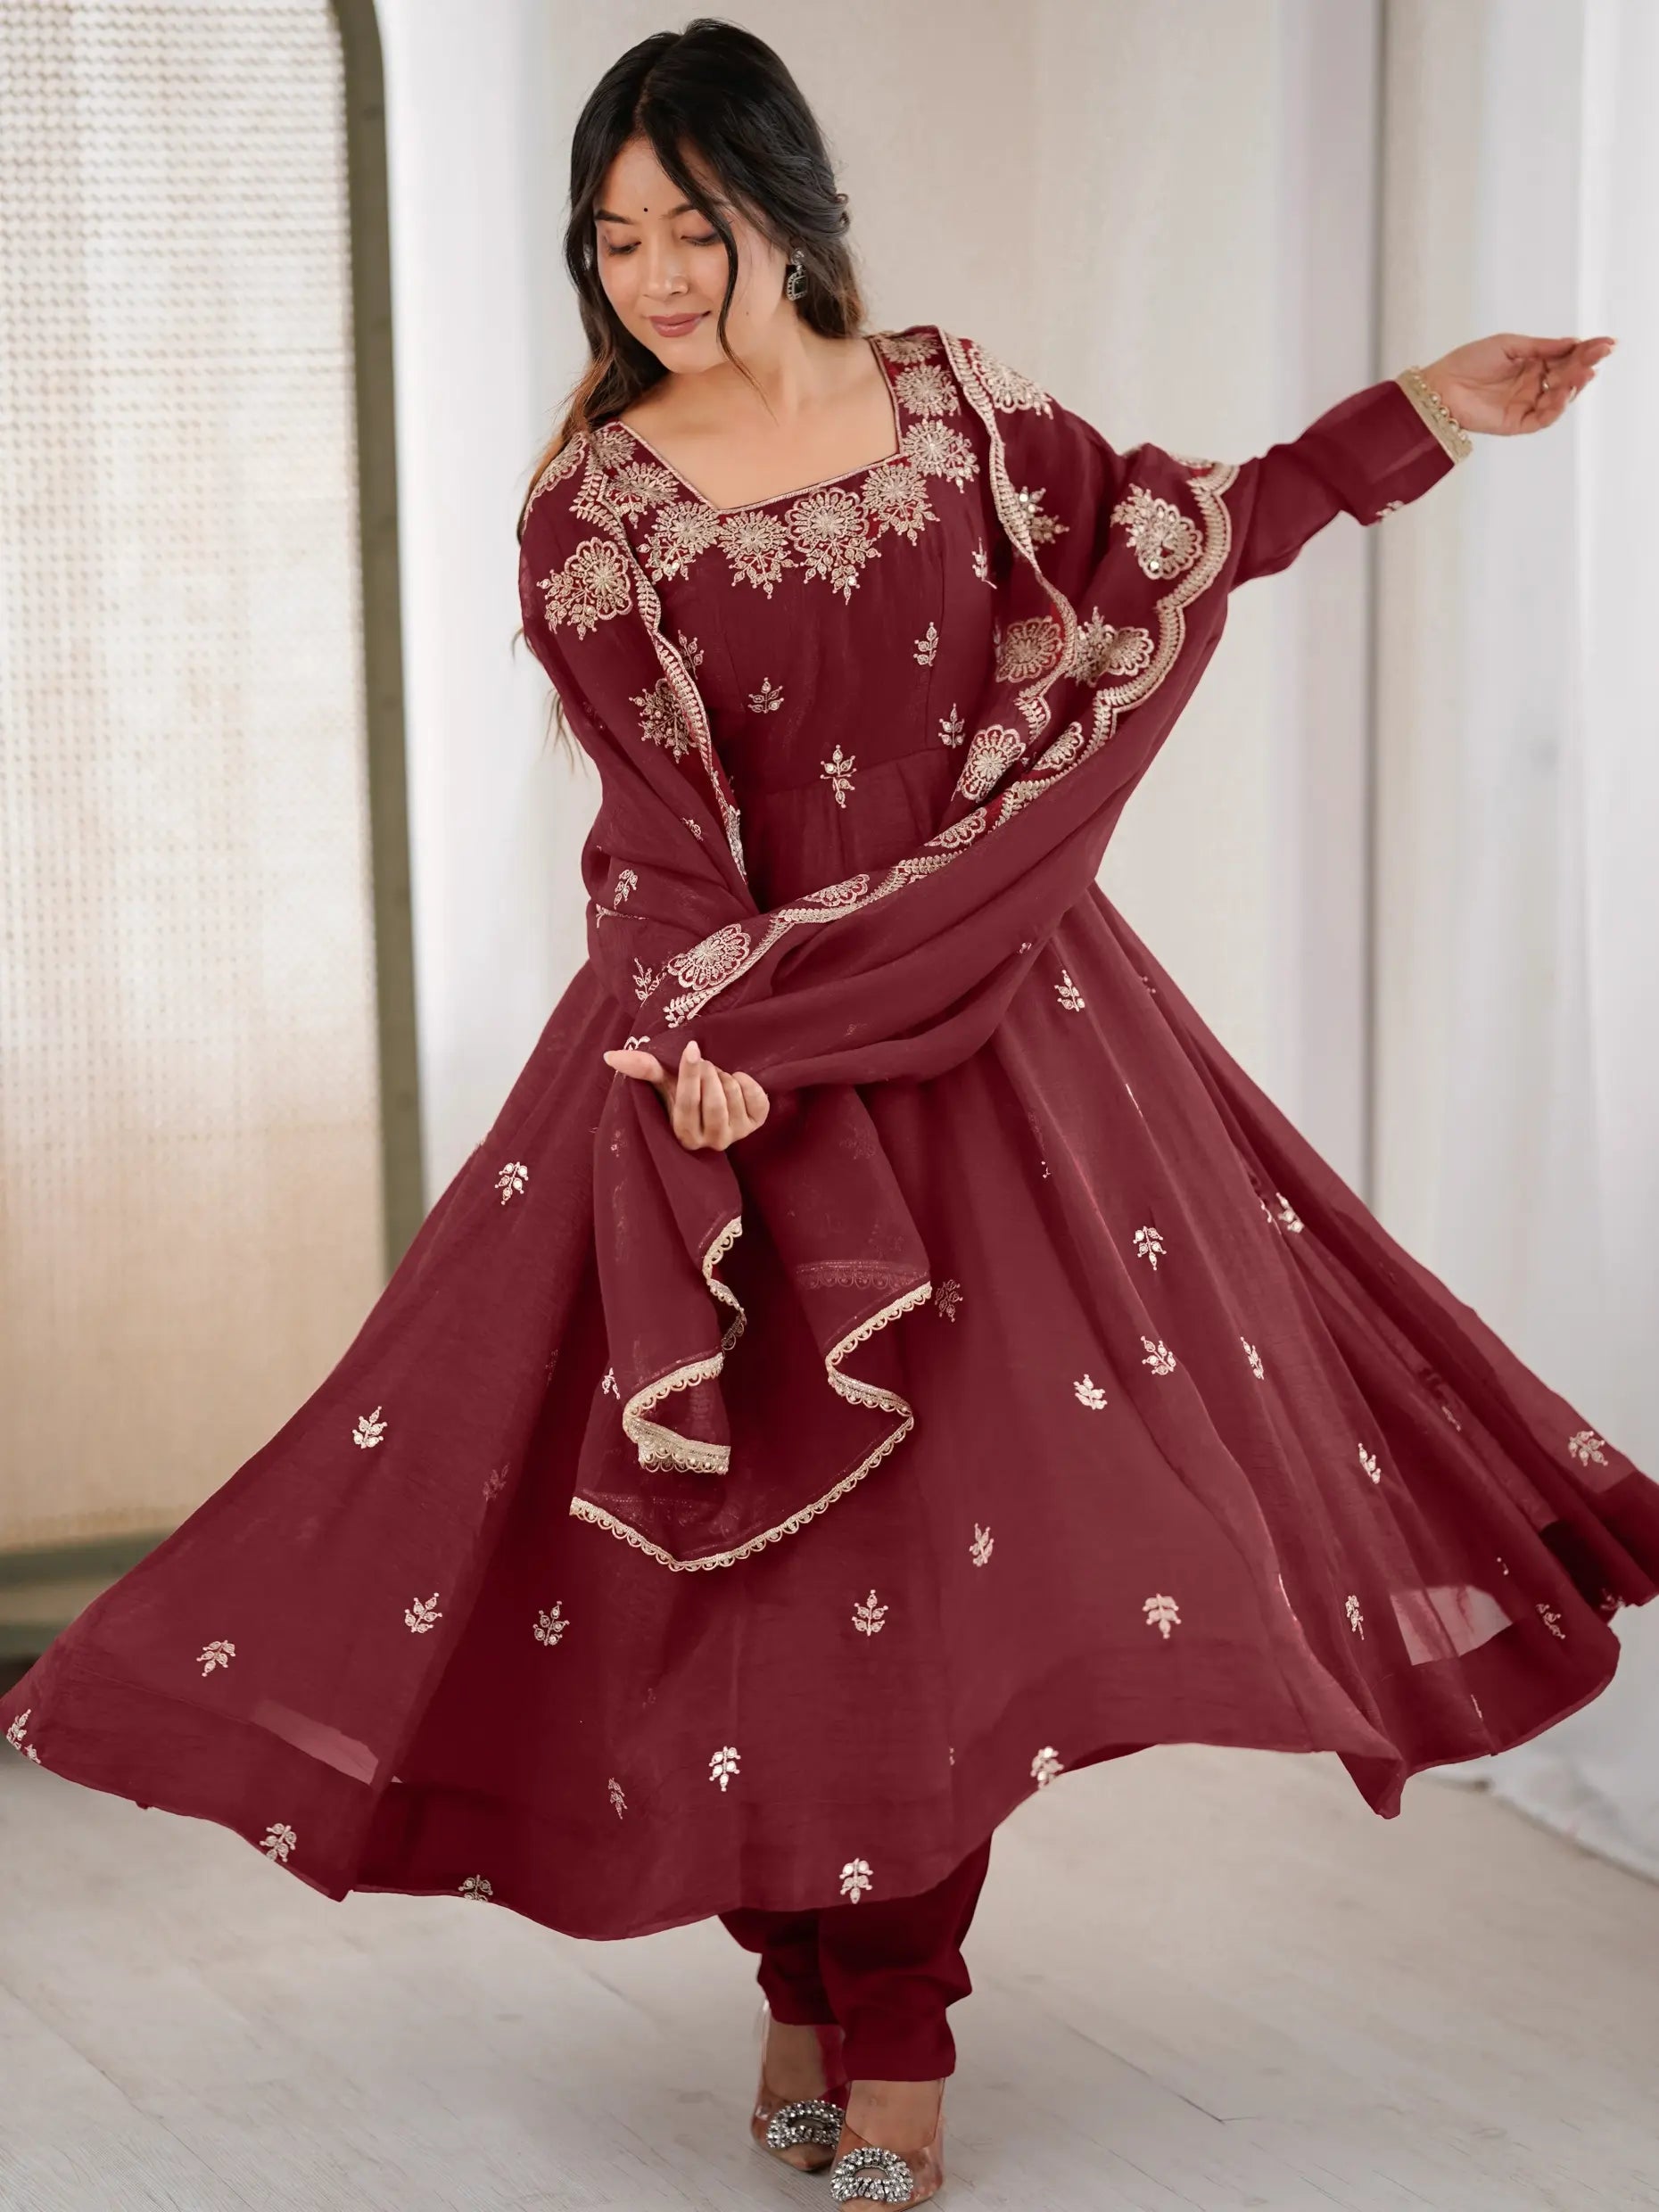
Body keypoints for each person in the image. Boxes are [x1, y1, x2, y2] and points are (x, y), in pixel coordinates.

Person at [2, 19, 1646, 2209]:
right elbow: (654, 830)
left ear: (787, 208)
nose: (658, 276)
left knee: (940, 1578)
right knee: (758, 1572)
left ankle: (897, 2037)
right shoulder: (596, 510)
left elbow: (1177, 549)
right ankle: (799, 1982)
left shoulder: (961, 414)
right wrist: (712, 1036)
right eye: (616, 239)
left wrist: (1416, 413)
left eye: (692, 224)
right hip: (723, 1071)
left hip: (1002, 1053)